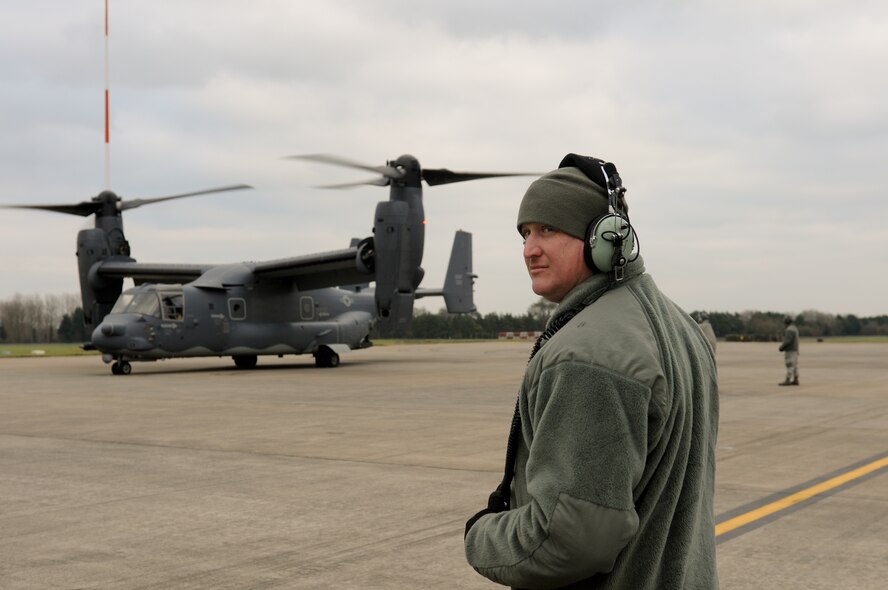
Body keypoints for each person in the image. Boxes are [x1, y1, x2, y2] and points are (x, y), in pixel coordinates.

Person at [463, 154, 720, 589]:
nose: (529, 250)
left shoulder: (587, 355)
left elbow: (570, 540)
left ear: (604, 237)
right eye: (525, 233)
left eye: (547, 229)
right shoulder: (684, 329)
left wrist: (482, 535)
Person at [778, 315, 800, 386]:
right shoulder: (795, 328)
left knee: (790, 364)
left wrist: (781, 347)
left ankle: (788, 379)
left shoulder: (789, 330)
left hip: (790, 350)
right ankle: (796, 379)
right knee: (795, 365)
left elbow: (787, 341)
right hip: (795, 349)